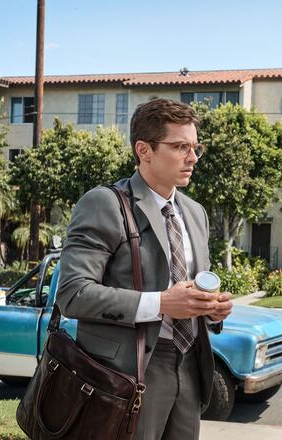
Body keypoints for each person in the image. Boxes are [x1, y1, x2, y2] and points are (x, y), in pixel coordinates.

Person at [57, 98, 233, 440]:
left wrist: (213, 309)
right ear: (144, 150)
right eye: (181, 146)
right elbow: (73, 294)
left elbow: (197, 286)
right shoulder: (104, 203)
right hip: (127, 371)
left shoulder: (195, 213)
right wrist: (162, 304)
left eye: (195, 147)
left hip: (190, 364)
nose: (193, 158)